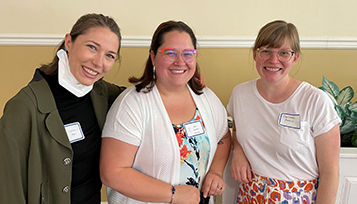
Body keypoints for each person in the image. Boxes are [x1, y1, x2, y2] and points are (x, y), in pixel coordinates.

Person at [100, 20, 231, 204]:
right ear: (153, 57)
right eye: (170, 53)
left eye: (188, 54)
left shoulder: (206, 98)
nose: (180, 61)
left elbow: (223, 137)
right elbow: (112, 173)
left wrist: (216, 172)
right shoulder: (132, 105)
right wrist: (173, 194)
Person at [0, 13, 126, 204]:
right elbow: (8, 189)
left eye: (109, 56)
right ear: (69, 42)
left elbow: (141, 98)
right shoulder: (24, 107)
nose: (99, 63)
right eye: (92, 47)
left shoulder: (102, 94)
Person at [227, 20, 342, 204]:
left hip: (297, 196)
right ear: (255, 54)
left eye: (284, 53)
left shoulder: (315, 101)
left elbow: (330, 172)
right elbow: (236, 130)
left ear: (295, 58)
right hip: (251, 194)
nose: (273, 60)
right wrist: (239, 153)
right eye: (266, 51)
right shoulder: (240, 94)